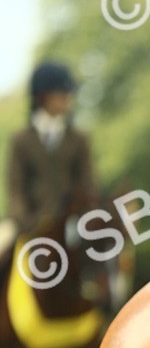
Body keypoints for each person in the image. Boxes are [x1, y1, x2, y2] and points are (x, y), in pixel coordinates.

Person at [5, 60, 95, 241]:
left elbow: (87, 184)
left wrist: (83, 216)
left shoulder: (78, 139)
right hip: (28, 222)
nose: (67, 101)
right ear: (43, 97)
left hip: (72, 223)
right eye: (62, 95)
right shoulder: (21, 140)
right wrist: (27, 221)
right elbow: (16, 188)